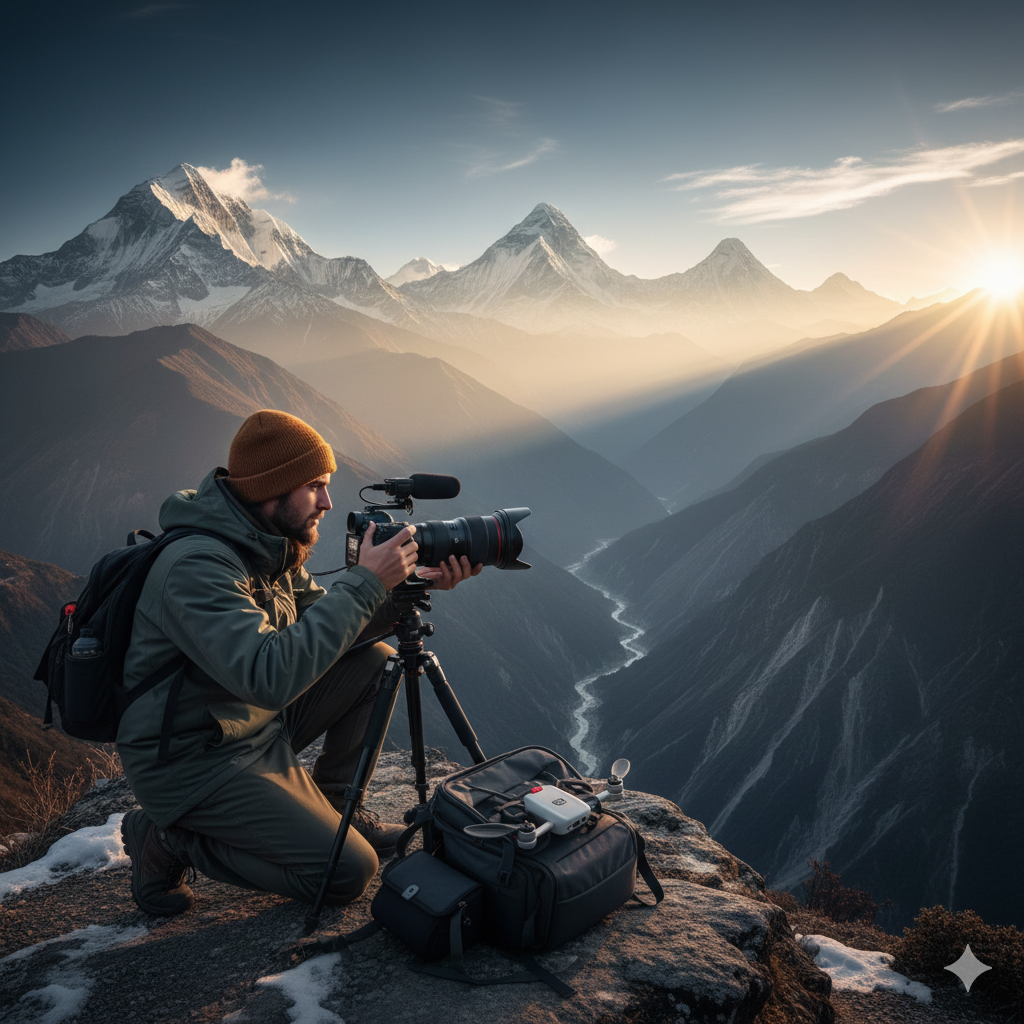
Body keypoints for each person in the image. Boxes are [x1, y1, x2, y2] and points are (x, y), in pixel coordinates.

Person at [116, 409, 481, 916]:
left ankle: (335, 806)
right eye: (315, 487)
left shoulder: (267, 545)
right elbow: (268, 678)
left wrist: (405, 590)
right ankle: (167, 839)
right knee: (347, 872)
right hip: (194, 758)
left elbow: (332, 633)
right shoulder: (196, 566)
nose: (328, 503)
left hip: (248, 723)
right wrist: (367, 582)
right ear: (273, 487)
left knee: (375, 662)